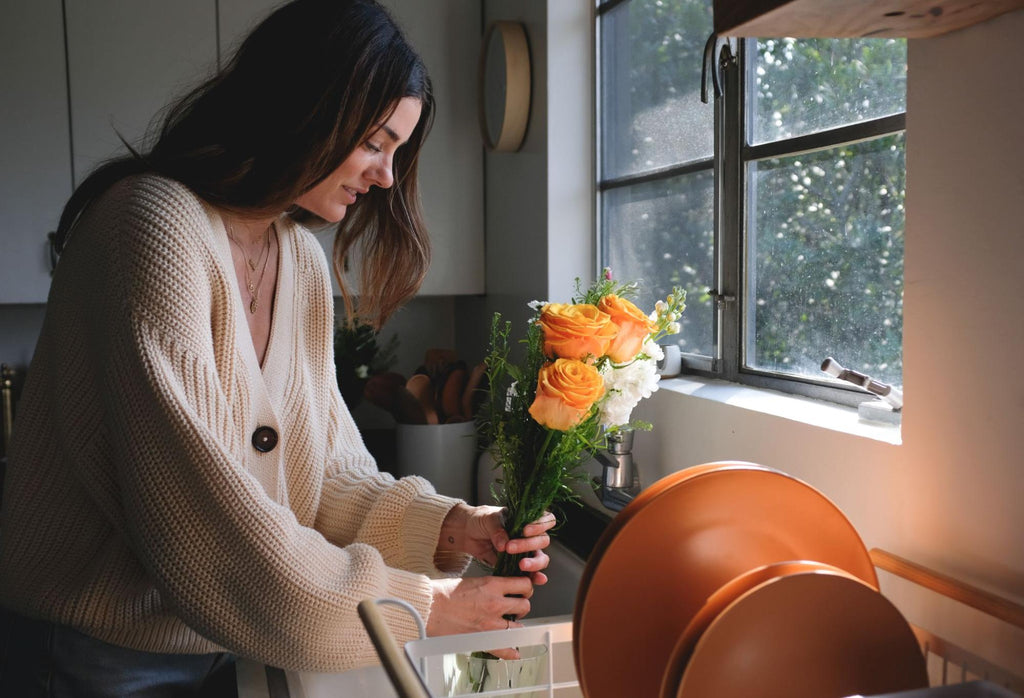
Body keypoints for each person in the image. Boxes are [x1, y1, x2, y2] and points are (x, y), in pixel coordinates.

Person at [0, 0, 554, 695]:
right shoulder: (151, 228)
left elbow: (323, 476)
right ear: (308, 109)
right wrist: (424, 606)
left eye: (397, 152)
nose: (386, 176)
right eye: (376, 143)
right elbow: (205, 524)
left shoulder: (298, 259)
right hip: (93, 656)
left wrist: (447, 527)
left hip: (224, 642)